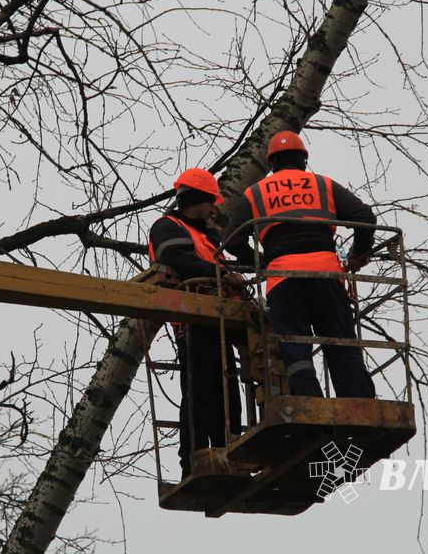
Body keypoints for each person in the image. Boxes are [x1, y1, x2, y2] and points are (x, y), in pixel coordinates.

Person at [224, 130, 376, 399]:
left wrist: (261, 262)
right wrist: (358, 254)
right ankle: (360, 402)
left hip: (283, 278)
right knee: (341, 343)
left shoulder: (255, 193)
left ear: (271, 163)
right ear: (303, 160)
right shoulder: (323, 185)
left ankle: (309, 402)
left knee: (296, 349)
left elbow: (232, 239)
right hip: (326, 274)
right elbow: (364, 216)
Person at [148, 168, 243, 478]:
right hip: (193, 315)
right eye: (210, 202)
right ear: (196, 200)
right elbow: (179, 259)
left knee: (227, 388)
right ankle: (195, 458)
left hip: (217, 317)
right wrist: (223, 275)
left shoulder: (207, 235)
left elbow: (210, 261)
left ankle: (229, 450)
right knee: (200, 388)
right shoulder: (167, 227)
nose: (214, 208)